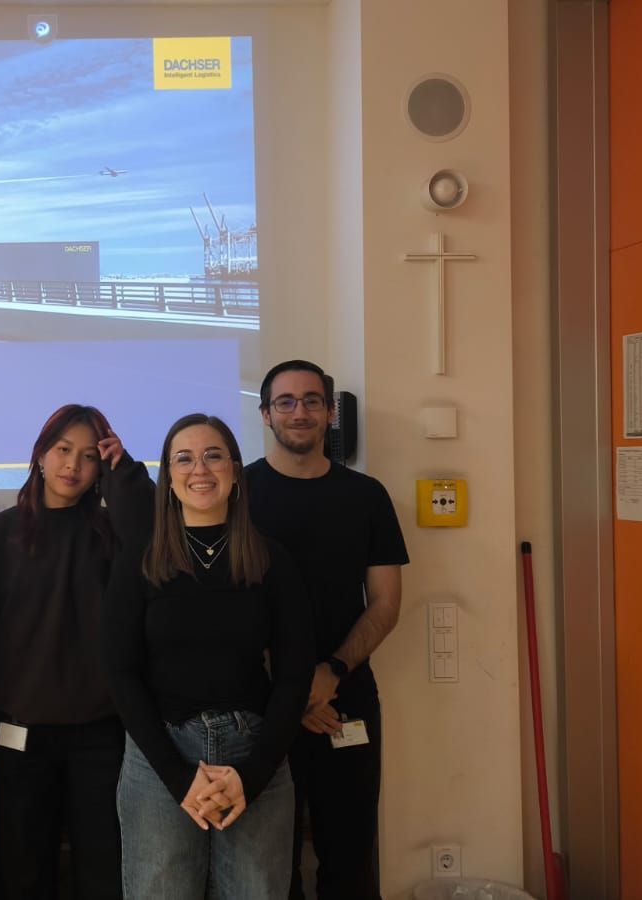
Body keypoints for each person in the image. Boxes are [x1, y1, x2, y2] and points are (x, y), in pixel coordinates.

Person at [103, 413, 315, 899]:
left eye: (213, 455)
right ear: (168, 476)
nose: (199, 469)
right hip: (160, 757)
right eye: (184, 459)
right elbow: (119, 670)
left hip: (255, 753)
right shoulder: (140, 560)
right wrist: (178, 779)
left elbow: (294, 673)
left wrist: (253, 776)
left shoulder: (271, 559)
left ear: (235, 471)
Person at [243, 360, 409, 900]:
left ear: (330, 413)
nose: (300, 412)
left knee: (351, 860)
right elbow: (224, 609)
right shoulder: (237, 494)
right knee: (269, 869)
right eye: (285, 402)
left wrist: (331, 673)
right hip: (261, 704)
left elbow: (385, 604)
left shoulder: (367, 496)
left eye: (312, 401)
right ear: (265, 414)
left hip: (345, 698)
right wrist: (293, 690)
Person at [0, 404, 151, 899]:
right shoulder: (1, 533)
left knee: (104, 867)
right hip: (18, 730)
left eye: (90, 456)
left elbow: (153, 537)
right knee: (22, 870)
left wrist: (124, 470)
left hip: (101, 732)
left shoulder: (113, 533)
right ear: (40, 455)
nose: (73, 465)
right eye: (63, 450)